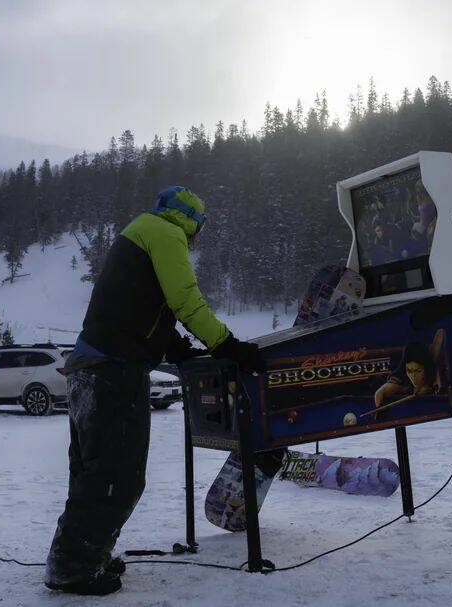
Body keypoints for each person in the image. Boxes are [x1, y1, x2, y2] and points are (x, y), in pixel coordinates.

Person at [44, 186, 265, 596]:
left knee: (94, 471)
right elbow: (186, 301)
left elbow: (142, 306)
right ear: (192, 221)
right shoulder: (166, 235)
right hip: (113, 373)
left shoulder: (141, 231)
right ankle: (73, 567)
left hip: (91, 368)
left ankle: (84, 554)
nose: (199, 235)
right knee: (117, 475)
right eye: (201, 226)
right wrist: (228, 347)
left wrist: (177, 350)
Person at [374, 328, 446, 407]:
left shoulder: (432, 366)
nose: (413, 376)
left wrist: (427, 386)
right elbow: (380, 392)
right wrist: (379, 407)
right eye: (409, 371)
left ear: (426, 367)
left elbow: (441, 332)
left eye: (418, 371)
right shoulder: (400, 376)